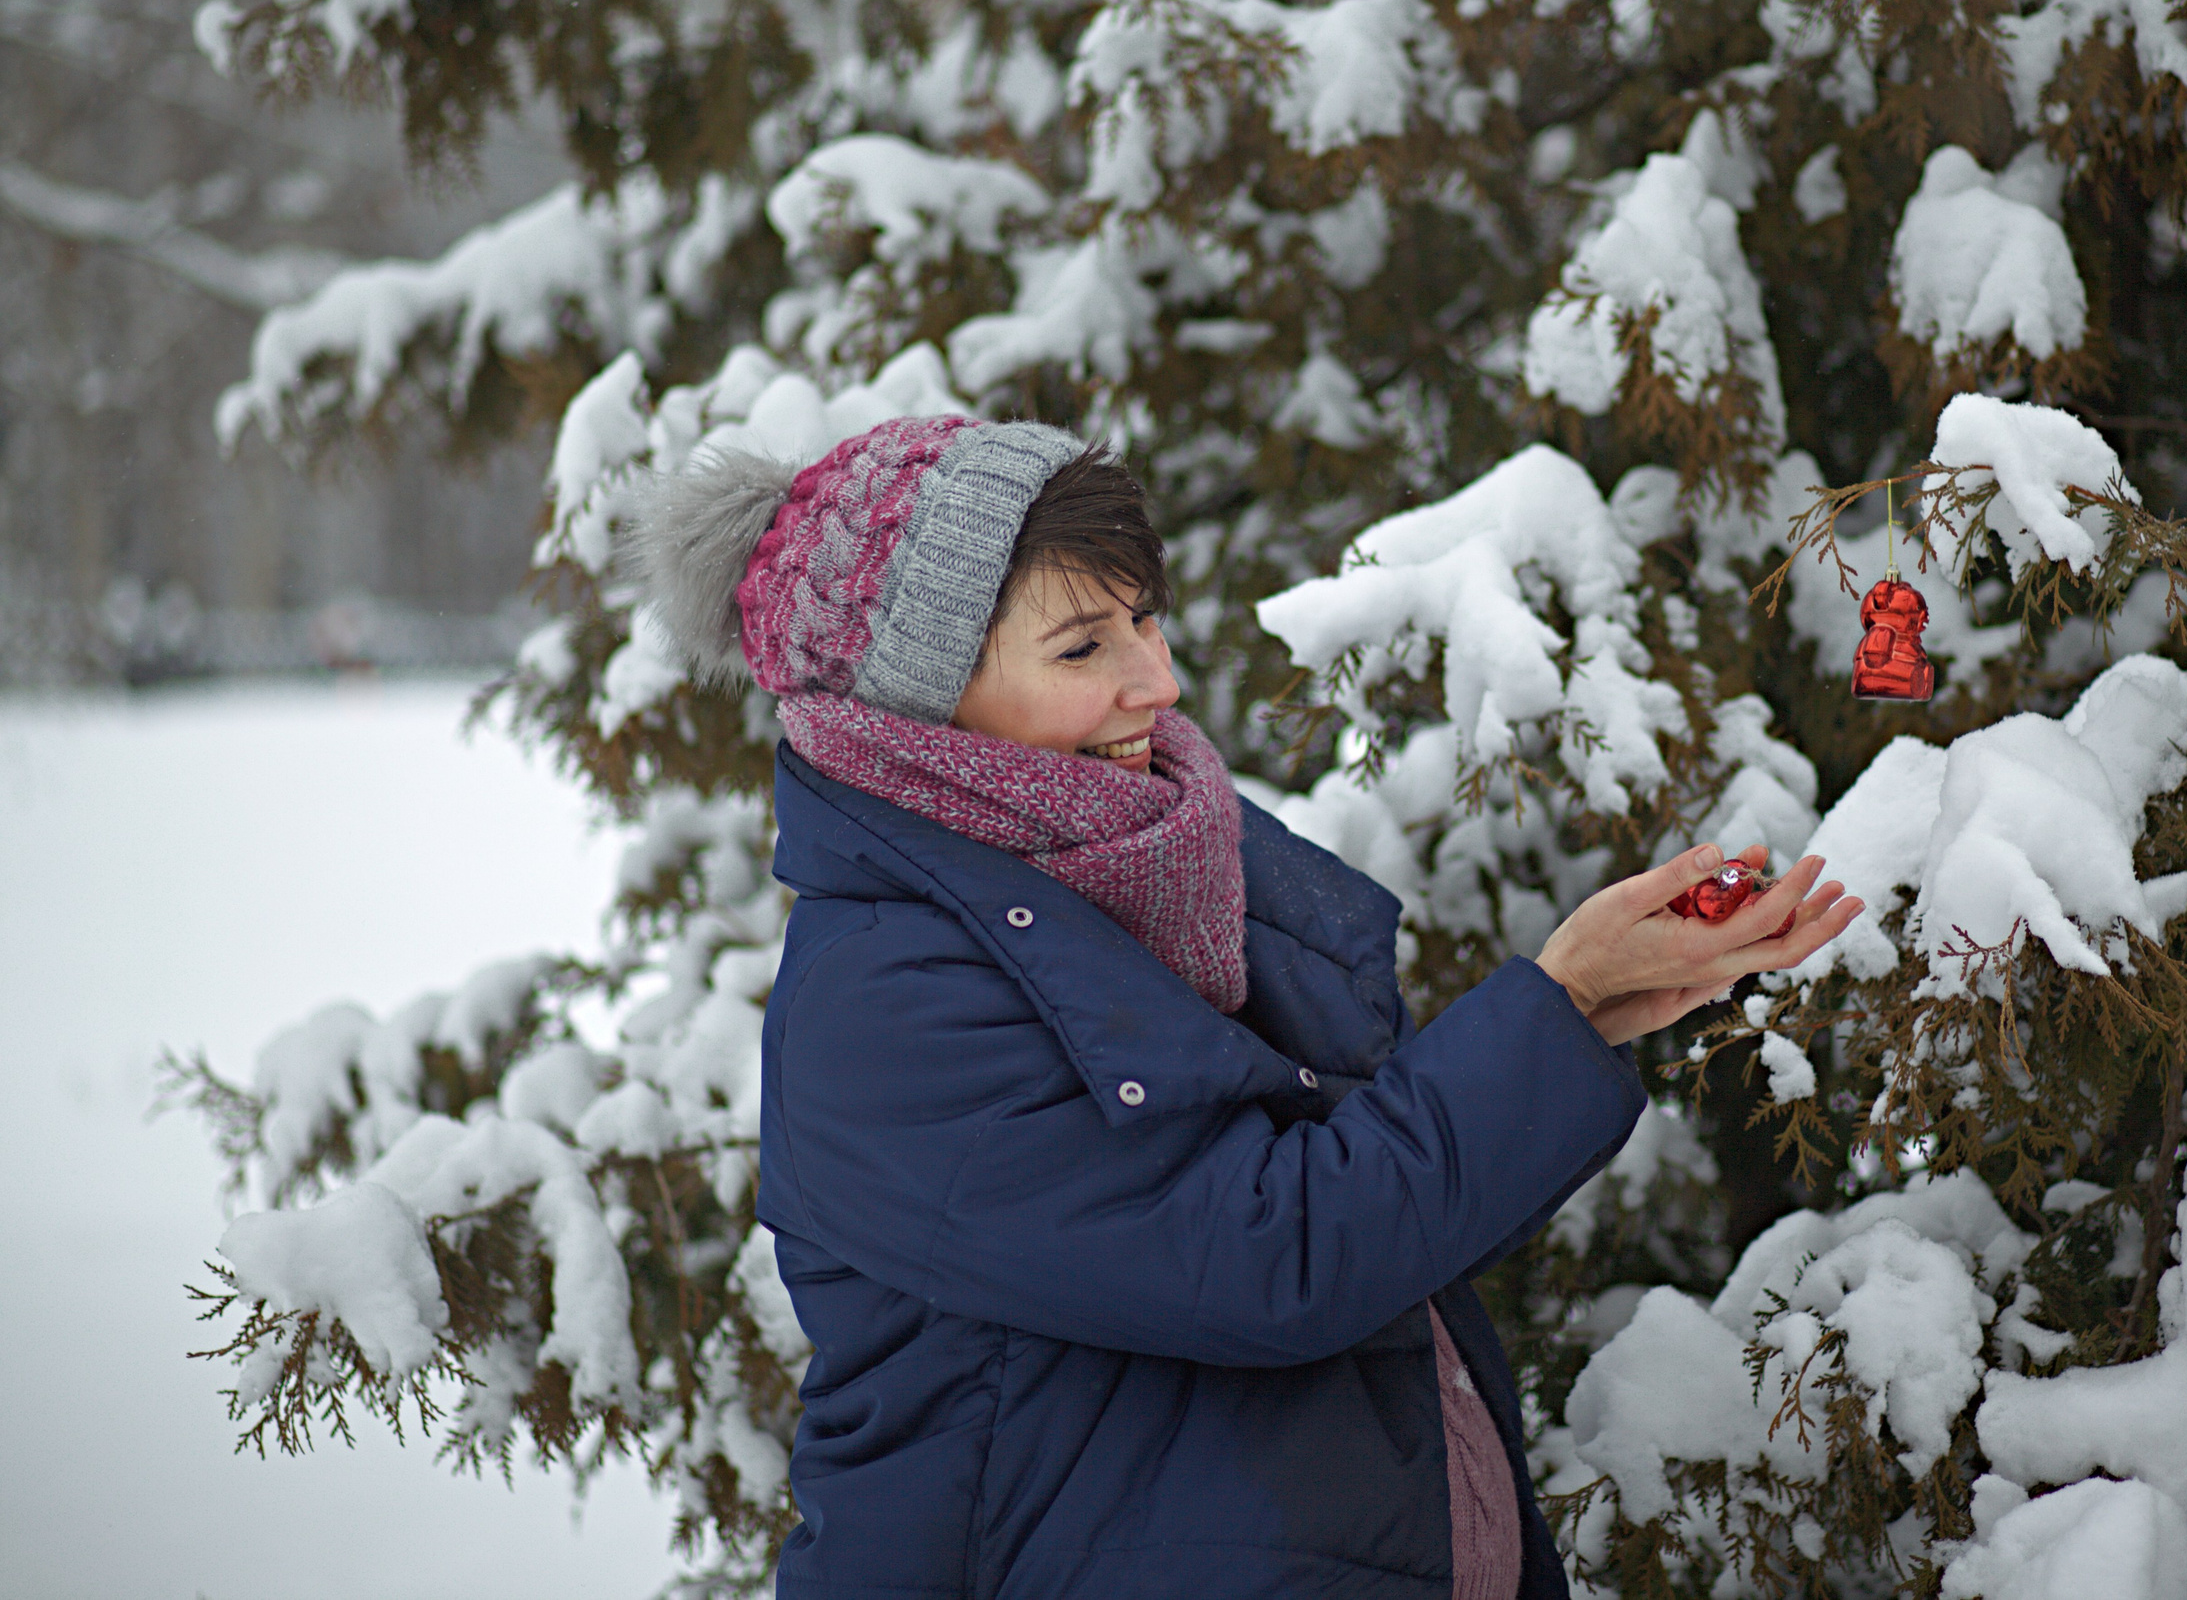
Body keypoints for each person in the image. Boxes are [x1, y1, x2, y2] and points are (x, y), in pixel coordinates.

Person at [636, 416, 1863, 1600]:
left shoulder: (1144, 872)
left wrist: (1582, 1024)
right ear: (909, 702)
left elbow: (1375, 1227)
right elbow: (1268, 1259)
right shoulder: (886, 1004)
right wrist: (1556, 1003)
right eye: (1082, 648)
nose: (1156, 681)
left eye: (1146, 621)